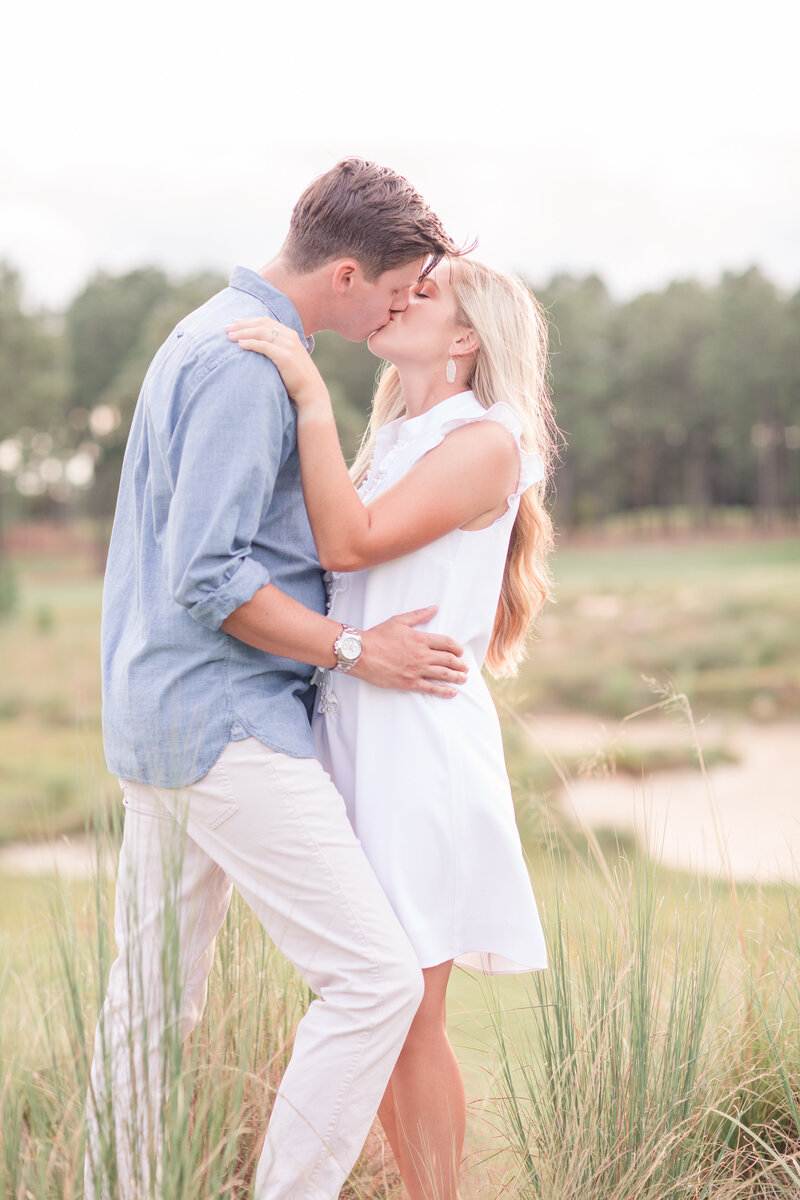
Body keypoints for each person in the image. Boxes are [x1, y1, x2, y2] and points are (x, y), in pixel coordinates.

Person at [86, 158, 471, 1200]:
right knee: (374, 980)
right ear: (346, 274)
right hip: (227, 723)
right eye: (397, 289)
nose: (400, 308)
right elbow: (209, 577)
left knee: (150, 1003)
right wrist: (355, 649)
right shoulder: (245, 365)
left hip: (161, 719)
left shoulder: (206, 332)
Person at [227, 254, 556, 1199]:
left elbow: (350, 542)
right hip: (355, 732)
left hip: (417, 749)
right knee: (369, 1002)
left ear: (467, 337)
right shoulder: (399, 440)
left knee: (409, 1013)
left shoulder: (486, 440)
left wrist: (307, 391)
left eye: (427, 292)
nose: (402, 296)